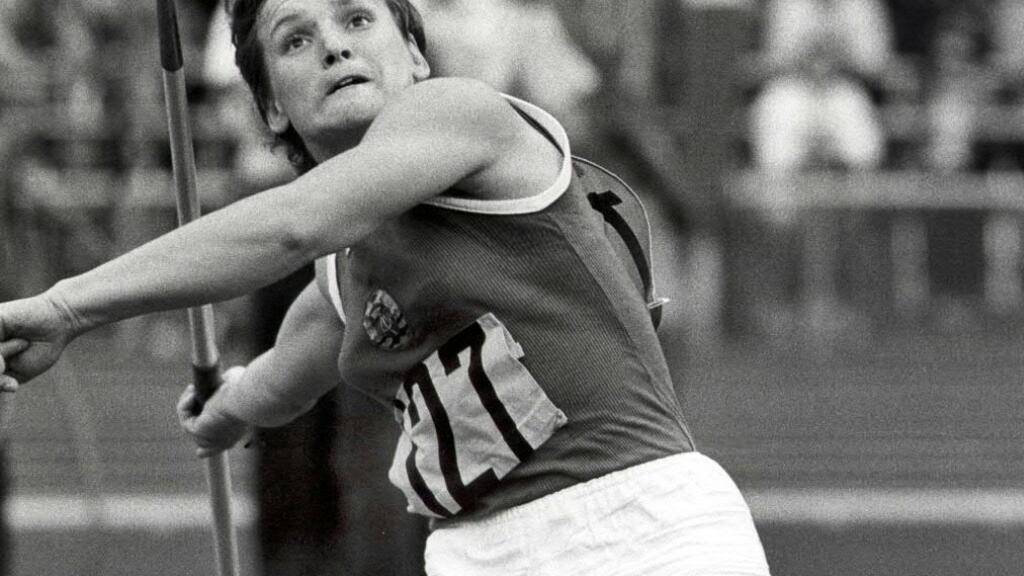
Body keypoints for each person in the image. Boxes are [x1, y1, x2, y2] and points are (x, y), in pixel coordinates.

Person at [0, 0, 771, 573]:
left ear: (415, 54)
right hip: (481, 555)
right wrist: (219, 410)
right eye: (296, 40)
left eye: (358, 20)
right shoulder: (344, 273)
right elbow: (273, 386)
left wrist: (69, 305)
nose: (333, 46)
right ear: (271, 105)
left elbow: (290, 225)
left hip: (638, 530)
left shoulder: (464, 114)